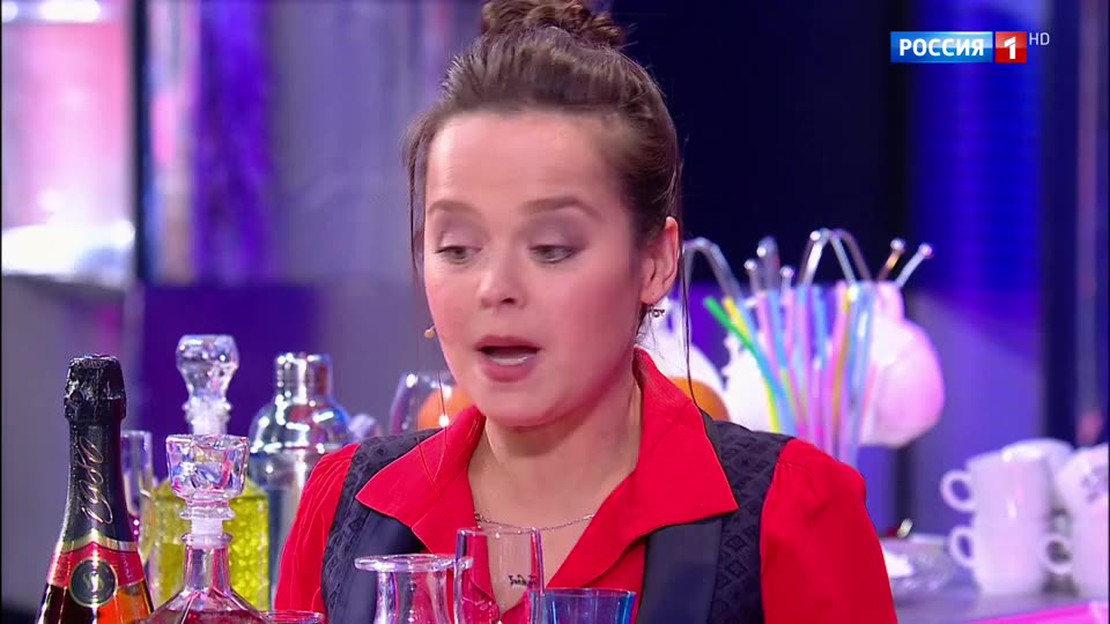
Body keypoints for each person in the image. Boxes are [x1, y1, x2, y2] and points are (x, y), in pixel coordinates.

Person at [274, 1, 897, 622]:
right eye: (458, 248)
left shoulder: (792, 511)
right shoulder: (346, 507)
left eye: (552, 248)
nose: (495, 287)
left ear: (655, 262)